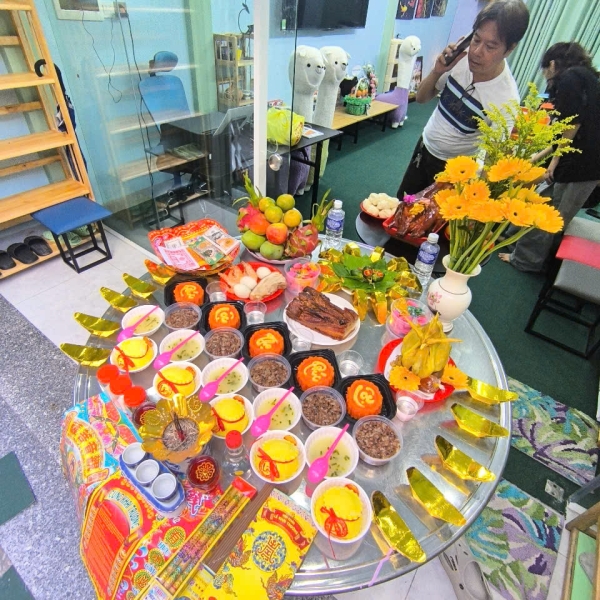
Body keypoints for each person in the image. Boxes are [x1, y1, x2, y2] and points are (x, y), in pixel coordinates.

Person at [396, 0, 529, 200]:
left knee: (432, 219)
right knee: (403, 205)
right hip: (425, 147)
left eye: (490, 46)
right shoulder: (460, 59)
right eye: (476, 39)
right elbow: (422, 98)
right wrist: (437, 71)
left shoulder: (506, 99)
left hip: (455, 172)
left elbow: (491, 162)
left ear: (509, 49)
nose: (476, 52)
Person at [499, 42, 600, 272]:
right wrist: (540, 156)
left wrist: (554, 161)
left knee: (551, 214)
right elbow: (567, 130)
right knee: (542, 200)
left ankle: (527, 260)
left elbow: (572, 124)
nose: (546, 76)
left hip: (583, 164)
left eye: (545, 69)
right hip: (580, 157)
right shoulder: (586, 78)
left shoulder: (569, 78)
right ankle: (514, 240)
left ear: (552, 65)